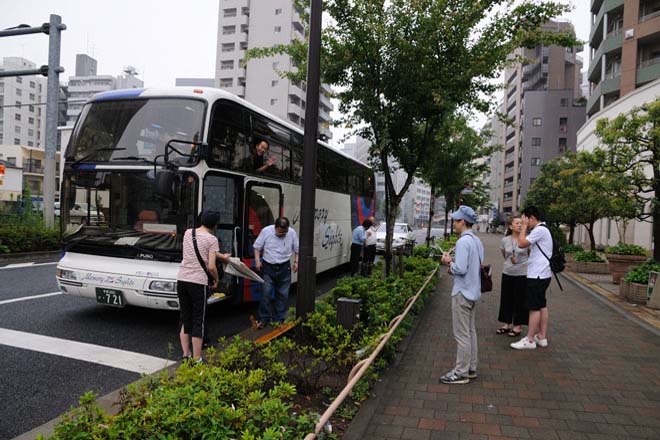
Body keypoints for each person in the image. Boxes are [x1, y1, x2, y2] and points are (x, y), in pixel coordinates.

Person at [176, 209, 230, 364]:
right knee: (198, 320)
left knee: (185, 318)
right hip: (198, 283)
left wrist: (221, 255)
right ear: (215, 224)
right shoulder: (212, 239)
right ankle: (197, 358)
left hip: (182, 280)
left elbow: (199, 249)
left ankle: (186, 355)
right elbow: (212, 266)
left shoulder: (188, 233)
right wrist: (217, 279)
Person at [439, 205, 484, 384]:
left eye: (456, 221)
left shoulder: (463, 242)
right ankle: (471, 367)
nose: (454, 224)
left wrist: (448, 262)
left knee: (462, 334)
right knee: (470, 332)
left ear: (463, 222)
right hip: (473, 291)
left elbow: (460, 268)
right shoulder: (477, 241)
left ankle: (460, 372)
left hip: (462, 292)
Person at [510, 206, 552, 350]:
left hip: (538, 275)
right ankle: (541, 337)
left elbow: (521, 244)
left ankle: (529, 339)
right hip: (544, 274)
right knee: (541, 305)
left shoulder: (539, 230)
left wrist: (524, 227)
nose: (522, 223)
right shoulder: (545, 228)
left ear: (531, 218)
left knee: (534, 307)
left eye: (524, 219)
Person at [253, 217, 299, 328]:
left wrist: (296, 262)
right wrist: (258, 261)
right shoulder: (266, 231)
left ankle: (279, 319)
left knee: (283, 294)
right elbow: (257, 247)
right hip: (268, 266)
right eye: (280, 232)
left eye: (285, 232)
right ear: (275, 227)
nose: (282, 234)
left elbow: (297, 250)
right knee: (266, 293)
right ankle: (264, 318)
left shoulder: (292, 233)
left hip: (284, 267)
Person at [496, 217, 529, 337]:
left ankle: (518, 326)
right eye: (517, 223)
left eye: (521, 223)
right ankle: (506, 324)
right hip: (507, 272)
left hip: (522, 273)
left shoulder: (526, 240)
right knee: (506, 299)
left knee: (520, 300)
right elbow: (504, 254)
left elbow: (529, 255)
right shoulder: (505, 240)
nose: (520, 225)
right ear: (511, 226)